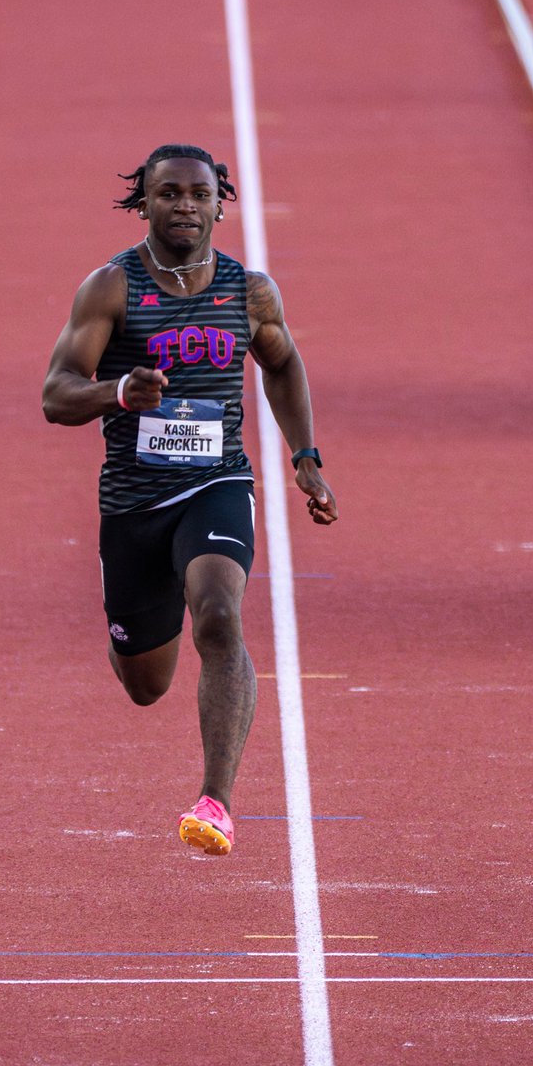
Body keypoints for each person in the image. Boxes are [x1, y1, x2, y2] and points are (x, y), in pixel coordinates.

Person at [42, 144, 336, 856]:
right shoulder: (110, 289)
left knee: (219, 616)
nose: (184, 206)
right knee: (147, 686)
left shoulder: (249, 290)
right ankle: (136, 619)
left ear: (219, 203)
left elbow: (283, 361)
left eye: (198, 195)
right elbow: (55, 394)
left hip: (217, 484)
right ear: (142, 201)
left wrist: (305, 455)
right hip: (135, 504)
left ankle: (217, 801)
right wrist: (117, 392)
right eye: (168, 193)